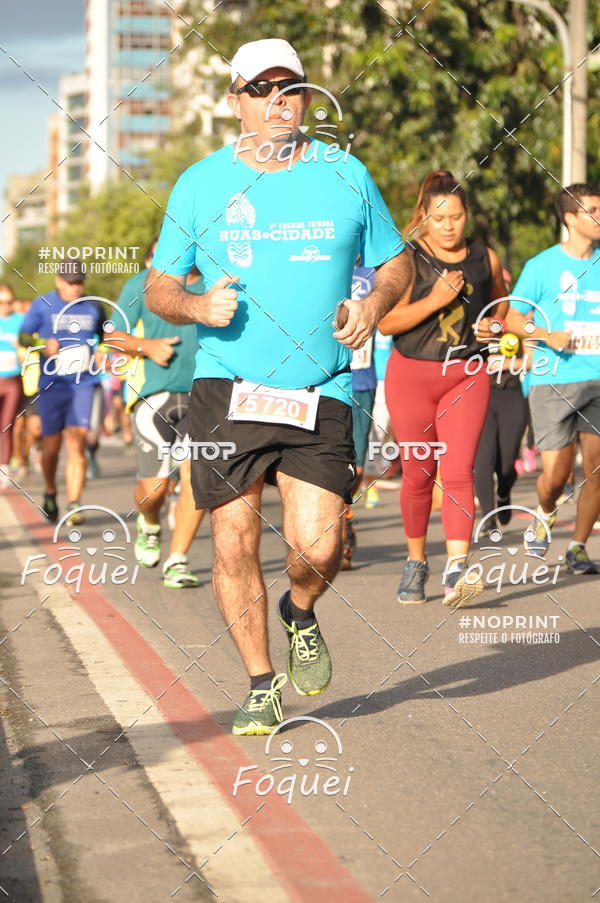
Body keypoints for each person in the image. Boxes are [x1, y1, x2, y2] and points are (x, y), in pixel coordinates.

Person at [145, 38, 413, 735]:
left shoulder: (346, 173)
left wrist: (374, 305)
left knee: (318, 547)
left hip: (320, 386)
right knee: (232, 542)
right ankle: (262, 680)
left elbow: (395, 261)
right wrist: (199, 308)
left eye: (288, 87)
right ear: (235, 100)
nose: (277, 102)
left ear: (305, 96)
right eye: (260, 90)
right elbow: (160, 286)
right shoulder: (200, 183)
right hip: (225, 386)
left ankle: (300, 610)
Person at [379, 170, 508, 606]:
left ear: (466, 215)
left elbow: (500, 306)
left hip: (467, 374)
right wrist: (434, 300)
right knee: (418, 475)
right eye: (440, 218)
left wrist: (494, 326)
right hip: (411, 375)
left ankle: (457, 568)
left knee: (458, 471)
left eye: (456, 216)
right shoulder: (405, 258)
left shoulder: (484, 257)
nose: (449, 225)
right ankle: (416, 562)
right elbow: (385, 322)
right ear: (424, 217)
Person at [506, 183, 600, 572]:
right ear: (570, 217)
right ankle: (544, 512)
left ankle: (578, 546)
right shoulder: (541, 266)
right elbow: (513, 320)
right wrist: (547, 336)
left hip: (597, 378)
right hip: (553, 379)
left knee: (595, 467)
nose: (599, 216)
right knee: (556, 476)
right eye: (592, 209)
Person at [111, 240, 205, 589]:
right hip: (155, 396)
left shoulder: (216, 282)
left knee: (198, 479)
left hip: (207, 396)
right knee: (155, 490)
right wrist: (147, 347)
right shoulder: (142, 283)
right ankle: (149, 523)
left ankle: (177, 560)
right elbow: (111, 335)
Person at [19, 261, 104, 524]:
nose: (75, 287)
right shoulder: (42, 304)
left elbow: (107, 335)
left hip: (83, 384)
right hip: (52, 384)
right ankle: (51, 491)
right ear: (58, 281)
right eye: (70, 282)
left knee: (77, 442)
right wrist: (42, 344)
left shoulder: (94, 306)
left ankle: (75, 503)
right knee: (52, 448)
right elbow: (23, 336)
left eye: (79, 282)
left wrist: (104, 351)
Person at [341, 264, 377, 569]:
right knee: (332, 461)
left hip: (363, 380)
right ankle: (337, 527)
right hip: (327, 379)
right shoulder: (317, 260)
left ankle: (345, 512)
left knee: (358, 467)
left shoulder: (373, 274)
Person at [0, 284, 24, 487]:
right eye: (1, 303)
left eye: (8, 302)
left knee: (6, 425)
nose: (4, 307)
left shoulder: (20, 321)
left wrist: (22, 349)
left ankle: (5, 469)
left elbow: (30, 347)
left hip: (13, 380)